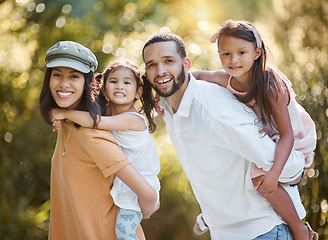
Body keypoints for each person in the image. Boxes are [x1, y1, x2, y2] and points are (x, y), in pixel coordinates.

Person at [142, 32, 313, 240]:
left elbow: (284, 164)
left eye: (168, 61)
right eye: (152, 65)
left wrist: (287, 171)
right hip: (227, 233)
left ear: (186, 64)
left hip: (262, 231)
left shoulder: (215, 110)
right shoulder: (169, 106)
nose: (160, 71)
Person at [192, 20, 317, 240]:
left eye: (241, 52)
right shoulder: (229, 80)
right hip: (267, 136)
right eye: (225, 54)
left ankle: (299, 229)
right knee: (230, 156)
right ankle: (213, 212)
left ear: (257, 52)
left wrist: (274, 174)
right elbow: (199, 76)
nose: (233, 60)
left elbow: (287, 134)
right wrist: (166, 90)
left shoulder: (269, 85)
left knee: (260, 180)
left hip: (294, 140)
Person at [39, 41, 158, 240]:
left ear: (87, 83)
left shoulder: (93, 134)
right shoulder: (69, 121)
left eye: (74, 76)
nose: (64, 83)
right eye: (57, 74)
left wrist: (145, 207)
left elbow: (149, 195)